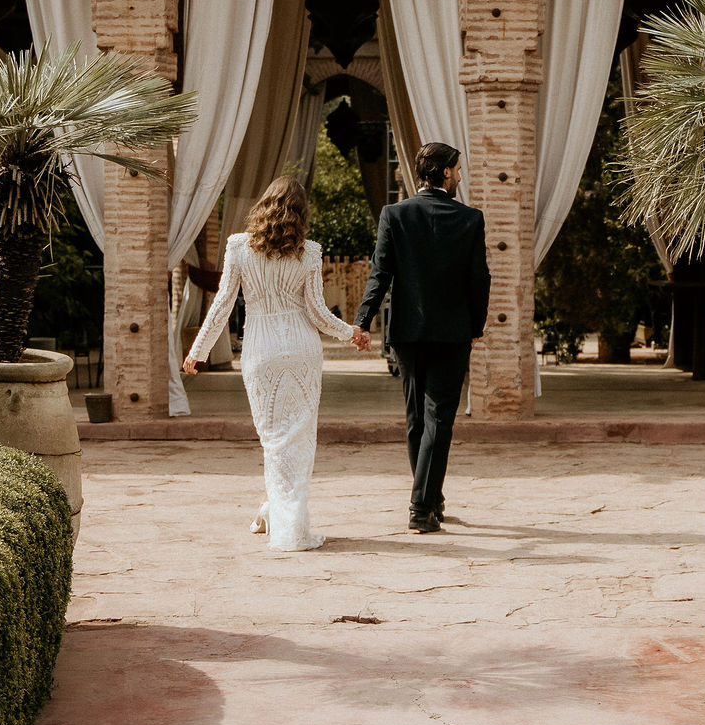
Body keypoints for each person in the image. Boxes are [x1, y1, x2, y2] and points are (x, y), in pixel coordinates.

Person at [183, 175, 369, 552]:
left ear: (264, 205)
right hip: (302, 349)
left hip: (261, 349)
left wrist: (197, 351)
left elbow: (222, 304)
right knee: (298, 437)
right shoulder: (309, 252)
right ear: (301, 213)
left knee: (274, 439)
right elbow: (317, 313)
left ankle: (286, 524)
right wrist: (351, 332)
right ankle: (282, 516)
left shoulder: (238, 247)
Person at [352, 142, 490, 534]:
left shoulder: (395, 214)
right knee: (438, 418)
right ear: (445, 172)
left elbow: (380, 273)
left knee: (417, 418)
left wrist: (363, 320)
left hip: (408, 333)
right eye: (458, 170)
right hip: (452, 334)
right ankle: (420, 507)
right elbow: (479, 279)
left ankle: (432, 498)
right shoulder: (470, 218)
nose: (460, 176)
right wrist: (476, 327)